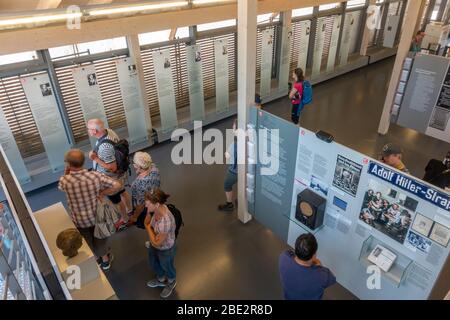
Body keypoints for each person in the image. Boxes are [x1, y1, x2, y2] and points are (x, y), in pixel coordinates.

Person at [58, 149, 121, 271]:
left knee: (88, 241)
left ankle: (96, 258)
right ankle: (105, 261)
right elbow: (117, 185)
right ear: (83, 162)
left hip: (80, 221)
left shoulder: (64, 180)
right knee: (100, 239)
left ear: (68, 164)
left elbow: (61, 187)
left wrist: (66, 173)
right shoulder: (95, 176)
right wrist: (103, 192)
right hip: (97, 217)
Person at [87, 118, 132, 229]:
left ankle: (125, 219)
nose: (88, 131)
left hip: (111, 178)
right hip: (120, 175)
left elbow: (112, 167)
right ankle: (130, 209)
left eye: (88, 129)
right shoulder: (109, 131)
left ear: (94, 131)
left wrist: (95, 158)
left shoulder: (104, 147)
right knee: (122, 191)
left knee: (116, 200)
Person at [279, 233, 336, 300]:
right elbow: (333, 279)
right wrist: (319, 265)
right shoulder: (322, 276)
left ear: (296, 249)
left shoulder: (283, 257)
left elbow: (290, 252)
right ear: (314, 255)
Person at [144, 189, 177, 299]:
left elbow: (157, 243)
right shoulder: (157, 209)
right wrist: (149, 213)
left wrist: (147, 227)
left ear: (157, 204)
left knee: (166, 266)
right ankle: (161, 279)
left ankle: (171, 281)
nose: (145, 206)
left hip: (166, 248)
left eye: (148, 204)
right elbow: (148, 221)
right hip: (155, 244)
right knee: (153, 262)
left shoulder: (165, 221)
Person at [128, 151, 161, 227]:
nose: (133, 164)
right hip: (156, 197)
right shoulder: (153, 167)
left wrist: (134, 217)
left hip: (146, 209)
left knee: (149, 225)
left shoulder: (138, 184)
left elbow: (141, 205)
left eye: (134, 163)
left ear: (139, 166)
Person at [218, 119, 238, 212]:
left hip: (234, 171)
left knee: (227, 185)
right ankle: (241, 200)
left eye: (233, 127)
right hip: (246, 170)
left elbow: (227, 155)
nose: (232, 128)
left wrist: (227, 152)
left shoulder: (234, 144)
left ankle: (229, 205)